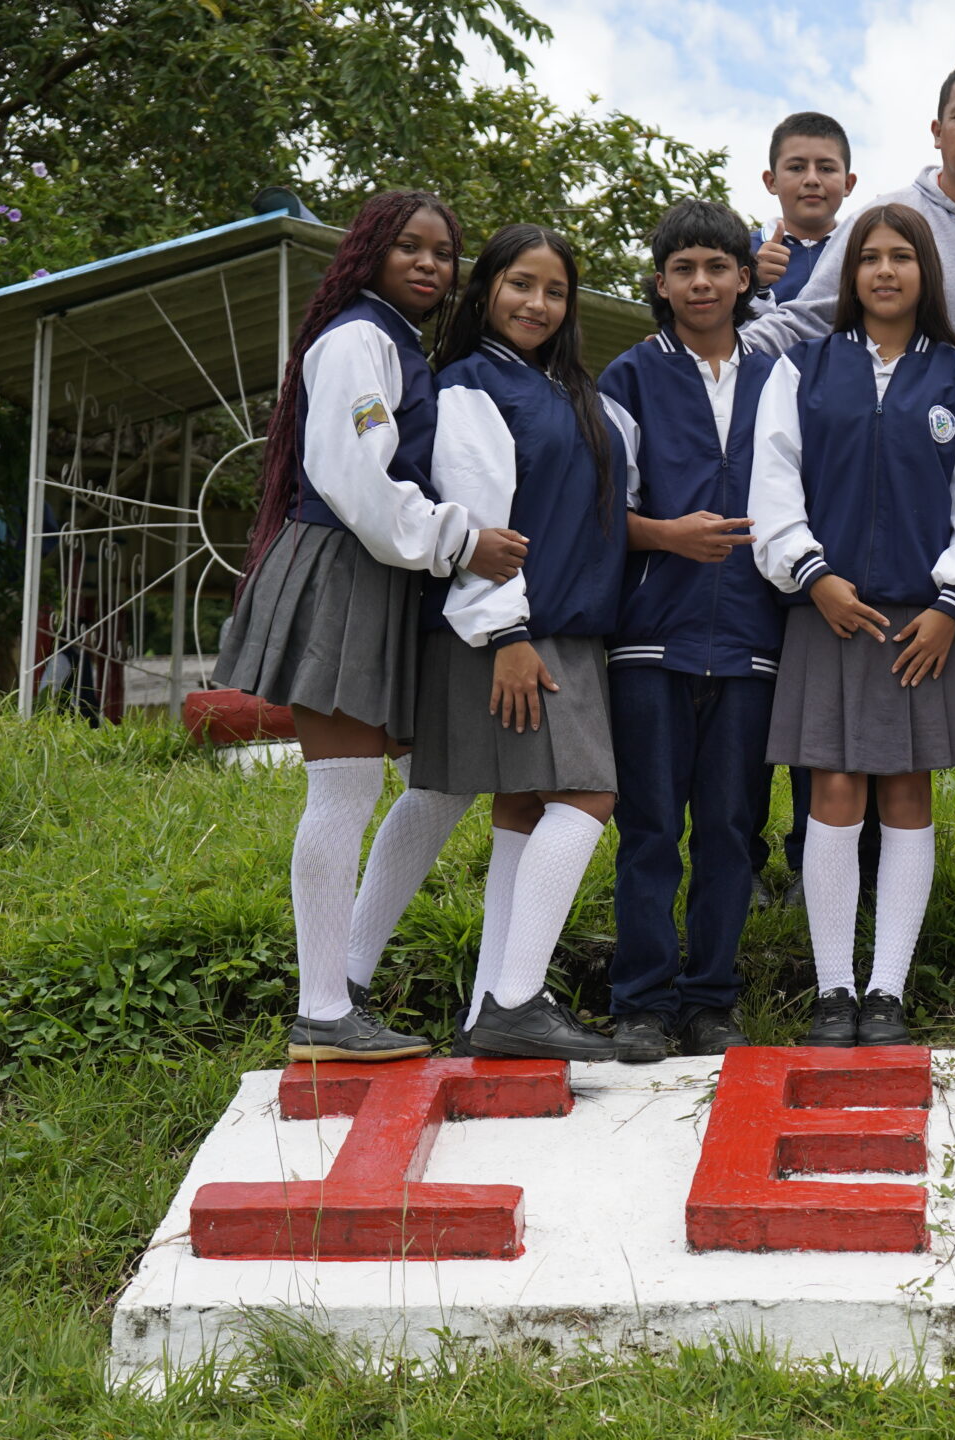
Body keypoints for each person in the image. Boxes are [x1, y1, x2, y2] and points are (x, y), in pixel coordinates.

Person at [212, 190, 527, 1064]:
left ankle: (336, 990)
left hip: (379, 580)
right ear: (369, 255)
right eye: (408, 248)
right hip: (347, 572)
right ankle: (322, 1008)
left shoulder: (395, 343)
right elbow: (354, 475)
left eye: (442, 252)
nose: (429, 264)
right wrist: (460, 538)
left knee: (387, 787)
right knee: (343, 793)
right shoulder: (358, 339)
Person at [749, 203, 955, 1048]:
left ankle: (886, 990)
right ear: (849, 274)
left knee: (905, 792)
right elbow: (774, 486)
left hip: (921, 623)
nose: (886, 272)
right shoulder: (804, 369)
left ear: (926, 273)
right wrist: (810, 574)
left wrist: (949, 606)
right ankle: (832, 990)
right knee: (834, 791)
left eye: (903, 257)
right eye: (870, 259)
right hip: (830, 609)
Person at [417, 224, 633, 1062]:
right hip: (520, 627)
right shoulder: (474, 384)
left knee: (523, 807)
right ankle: (517, 999)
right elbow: (478, 512)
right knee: (588, 797)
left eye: (554, 291)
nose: (537, 303)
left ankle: (488, 1009)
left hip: (573, 625)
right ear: (484, 292)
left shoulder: (566, 389)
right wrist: (506, 632)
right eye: (519, 285)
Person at [599, 199, 782, 1061]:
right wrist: (668, 536)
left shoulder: (782, 376)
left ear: (746, 277)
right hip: (651, 635)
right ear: (661, 283)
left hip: (751, 635)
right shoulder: (627, 377)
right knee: (648, 827)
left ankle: (711, 998)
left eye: (718, 266)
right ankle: (638, 1000)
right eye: (684, 269)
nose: (702, 282)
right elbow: (597, 509)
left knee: (730, 828)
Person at [746, 56, 955, 356]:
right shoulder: (877, 222)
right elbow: (806, 322)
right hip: (898, 411)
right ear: (937, 132)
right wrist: (718, 355)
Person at [751, 112, 856, 304]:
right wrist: (754, 286)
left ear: (848, 184)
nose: (812, 180)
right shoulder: (740, 254)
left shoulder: (863, 253)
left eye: (826, 168)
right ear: (771, 181)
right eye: (797, 168)